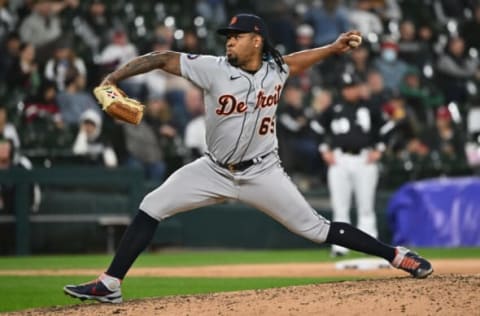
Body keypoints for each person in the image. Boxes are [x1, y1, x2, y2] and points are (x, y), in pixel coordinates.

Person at [63, 14, 433, 304]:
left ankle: (395, 255)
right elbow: (161, 58)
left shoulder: (276, 69)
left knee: (318, 230)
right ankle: (110, 283)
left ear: (256, 40)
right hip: (212, 169)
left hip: (263, 172)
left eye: (235, 36)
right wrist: (113, 77)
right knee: (151, 205)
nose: (229, 42)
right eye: (227, 37)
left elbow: (296, 62)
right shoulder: (212, 68)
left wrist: (333, 48)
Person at [316, 73, 394, 257]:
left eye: (352, 87)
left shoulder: (370, 106)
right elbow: (316, 128)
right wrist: (324, 149)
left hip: (364, 158)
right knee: (340, 205)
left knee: (365, 205)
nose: (350, 91)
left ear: (358, 88)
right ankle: (340, 246)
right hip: (339, 158)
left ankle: (370, 245)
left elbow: (388, 128)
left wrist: (380, 149)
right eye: (346, 88)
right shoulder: (334, 108)